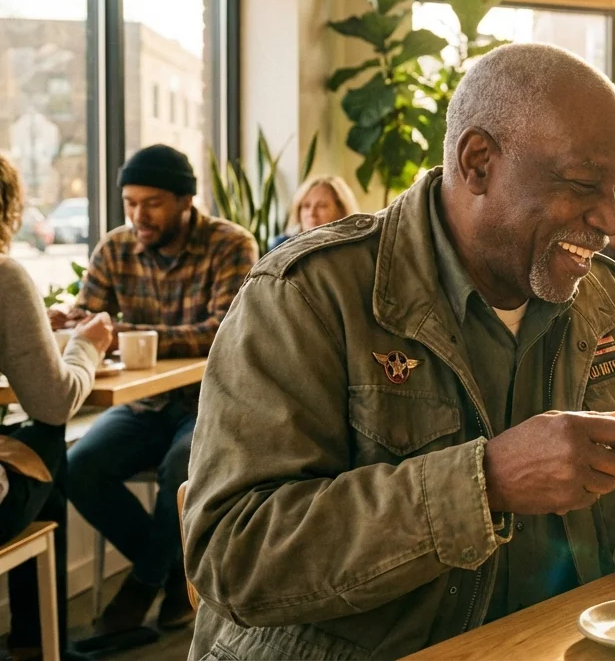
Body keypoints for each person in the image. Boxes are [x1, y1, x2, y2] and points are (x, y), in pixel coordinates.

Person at [183, 43, 615, 659]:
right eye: (585, 184)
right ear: (478, 163)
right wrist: (484, 484)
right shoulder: (309, 296)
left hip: (562, 643)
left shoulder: (601, 296)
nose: (610, 220)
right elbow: (234, 554)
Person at [55, 144, 257, 639]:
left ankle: (139, 587)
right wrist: (75, 323)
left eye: (152, 203)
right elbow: (92, 318)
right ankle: (170, 578)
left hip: (212, 403)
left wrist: (130, 333)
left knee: (180, 470)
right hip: (144, 404)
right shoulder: (114, 248)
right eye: (130, 203)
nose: (138, 215)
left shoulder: (231, 245)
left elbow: (222, 331)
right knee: (79, 468)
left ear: (186, 200)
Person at [0, 154, 114, 661]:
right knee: (47, 438)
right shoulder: (4, 277)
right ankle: (44, 645)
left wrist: (31, 331)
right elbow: (55, 401)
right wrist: (87, 343)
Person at [271, 174, 359, 249]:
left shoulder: (355, 247)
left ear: (341, 210)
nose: (311, 213)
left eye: (321, 206)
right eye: (306, 206)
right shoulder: (282, 246)